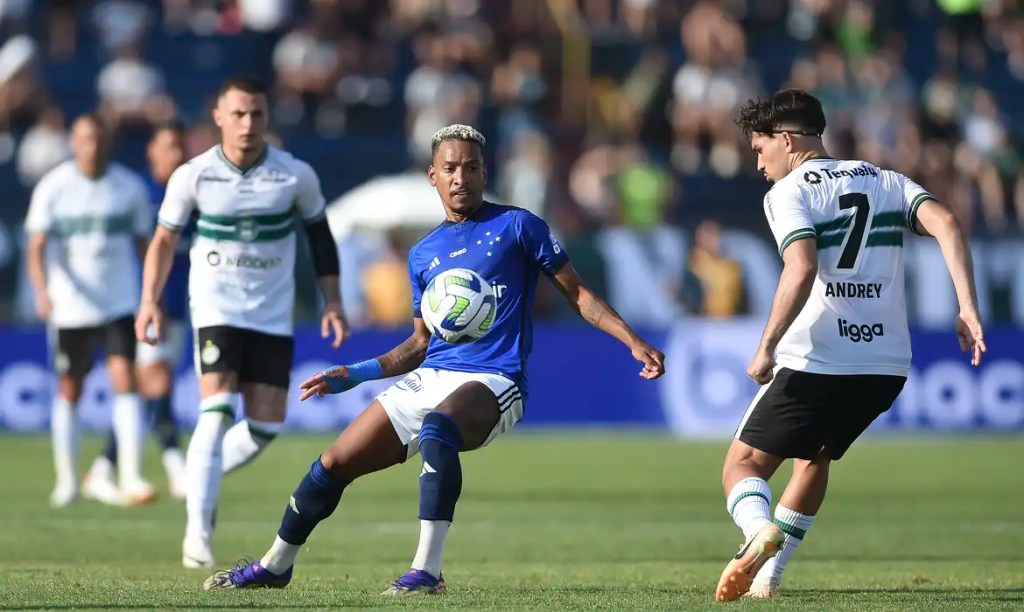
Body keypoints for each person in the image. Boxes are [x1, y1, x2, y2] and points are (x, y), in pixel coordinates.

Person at [201, 124, 666, 593]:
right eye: (450, 168)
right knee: (332, 463)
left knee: (439, 429)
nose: (460, 177)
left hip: (495, 379)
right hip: (432, 374)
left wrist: (631, 340)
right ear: (433, 177)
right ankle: (275, 566)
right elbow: (419, 344)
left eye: (470, 167)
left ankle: (427, 571)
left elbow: (580, 294)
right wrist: (357, 374)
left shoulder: (519, 226)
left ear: (485, 173)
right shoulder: (423, 253)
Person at [715, 89, 986, 601]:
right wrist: (968, 307)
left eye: (759, 149)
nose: (758, 162)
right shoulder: (885, 179)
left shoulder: (790, 192)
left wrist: (767, 344)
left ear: (787, 140)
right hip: (885, 364)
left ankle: (756, 533)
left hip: (818, 355)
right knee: (814, 457)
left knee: (742, 464)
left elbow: (802, 266)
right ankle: (769, 577)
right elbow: (947, 223)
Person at [134, 77, 348, 568]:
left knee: (266, 426)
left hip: (272, 315)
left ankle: (197, 473)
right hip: (216, 308)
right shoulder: (193, 175)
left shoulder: (294, 175)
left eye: (256, 114)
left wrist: (332, 301)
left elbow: (321, 238)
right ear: (218, 117)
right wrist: (148, 300)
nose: (248, 124)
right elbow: (163, 242)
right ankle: (198, 533)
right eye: (238, 114)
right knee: (216, 411)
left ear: (266, 117)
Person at [25, 113, 154, 508]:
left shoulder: (128, 187)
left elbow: (146, 245)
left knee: (125, 379)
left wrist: (150, 296)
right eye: (84, 139)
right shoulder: (55, 187)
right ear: (73, 142)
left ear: (107, 142)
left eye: (98, 139)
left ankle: (130, 473)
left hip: (119, 300)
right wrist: (42, 293)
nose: (92, 146)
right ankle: (67, 480)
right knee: (70, 387)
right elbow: (36, 245)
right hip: (71, 306)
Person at [84, 123, 189, 504]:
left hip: (180, 307)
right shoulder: (138, 194)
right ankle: (177, 466)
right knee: (155, 380)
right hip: (145, 307)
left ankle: (102, 468)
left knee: (152, 388)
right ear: (151, 152)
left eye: (180, 147)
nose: (176, 155)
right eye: (168, 147)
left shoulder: (192, 194)